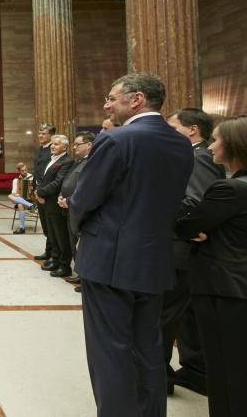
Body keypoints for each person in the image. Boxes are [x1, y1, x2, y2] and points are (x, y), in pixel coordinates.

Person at [69, 72, 194, 416]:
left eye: (112, 98)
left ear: (136, 99)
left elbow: (84, 198)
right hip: (154, 257)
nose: (106, 104)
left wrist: (81, 234)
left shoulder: (117, 140)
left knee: (110, 351)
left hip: (109, 258)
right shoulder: (180, 143)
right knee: (148, 347)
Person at [174, 115, 247, 416]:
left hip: (223, 288)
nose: (212, 146)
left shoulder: (229, 190)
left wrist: (188, 227)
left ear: (233, 145)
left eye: (216, 140)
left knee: (225, 372)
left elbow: (185, 226)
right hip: (236, 284)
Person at [161, 108, 226, 396]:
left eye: (173, 128)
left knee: (165, 317)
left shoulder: (198, 157)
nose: (168, 133)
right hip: (183, 249)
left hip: (181, 249)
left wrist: (161, 214)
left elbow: (195, 201)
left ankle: (161, 377)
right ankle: (195, 371)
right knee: (186, 317)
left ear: (192, 130)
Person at [58, 131, 96, 291]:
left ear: (89, 145)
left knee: (82, 246)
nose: (74, 147)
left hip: (78, 207)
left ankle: (86, 279)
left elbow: (87, 188)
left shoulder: (92, 162)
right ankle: (80, 274)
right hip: (70, 207)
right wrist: (62, 196)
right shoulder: (80, 161)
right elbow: (68, 180)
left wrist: (69, 200)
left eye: (77, 144)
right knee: (74, 243)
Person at [34, 135, 74, 277]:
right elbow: (43, 179)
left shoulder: (67, 161)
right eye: (52, 144)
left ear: (64, 147)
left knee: (60, 235)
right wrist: (38, 192)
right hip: (46, 201)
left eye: (56, 144)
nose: (52, 146)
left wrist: (40, 192)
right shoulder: (52, 159)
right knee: (52, 234)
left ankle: (64, 264)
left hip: (55, 203)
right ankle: (55, 259)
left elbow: (58, 183)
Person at [33, 123, 55, 260]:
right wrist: (35, 190)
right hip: (38, 192)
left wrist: (42, 191)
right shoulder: (39, 150)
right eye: (39, 133)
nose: (40, 136)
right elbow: (36, 171)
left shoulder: (52, 152)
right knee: (45, 226)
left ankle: (53, 253)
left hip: (48, 193)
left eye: (44, 133)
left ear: (51, 135)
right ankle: (49, 251)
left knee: (52, 226)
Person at [8, 162, 35, 234]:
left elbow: (38, 191)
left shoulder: (33, 178)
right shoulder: (16, 180)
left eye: (25, 170)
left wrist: (33, 188)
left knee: (20, 205)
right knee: (10, 196)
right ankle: (31, 206)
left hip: (31, 199)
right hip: (21, 199)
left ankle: (21, 227)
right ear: (19, 171)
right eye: (22, 171)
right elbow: (13, 192)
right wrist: (16, 194)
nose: (25, 172)